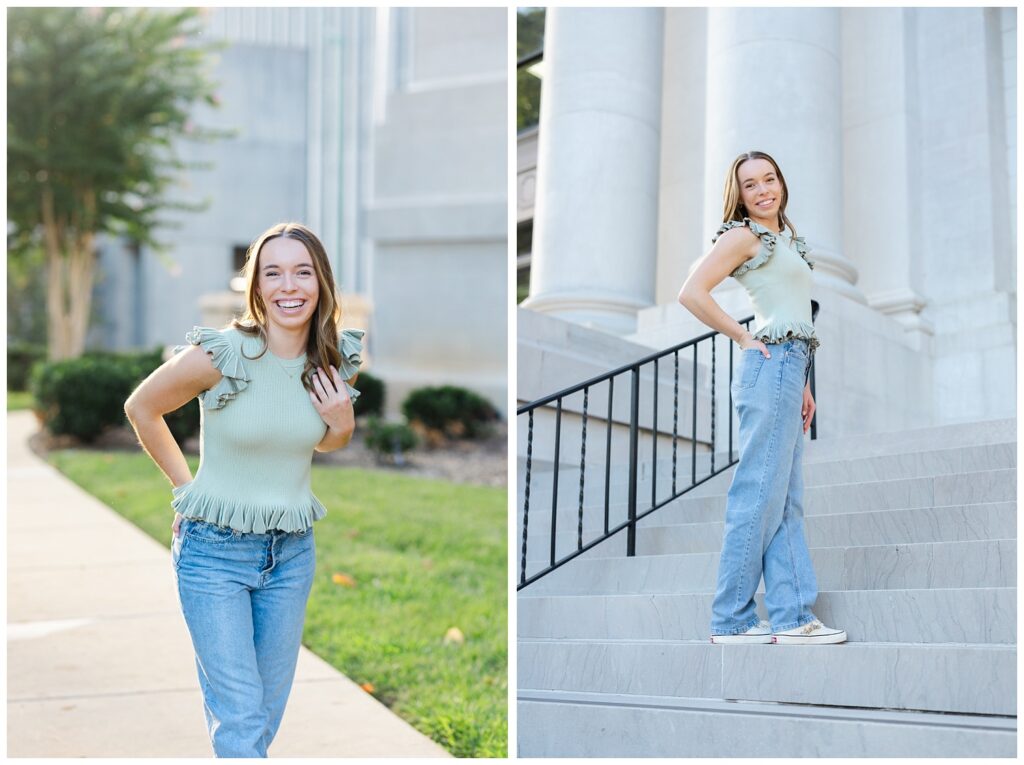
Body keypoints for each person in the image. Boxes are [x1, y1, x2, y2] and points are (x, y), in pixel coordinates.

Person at [124, 222, 365, 755]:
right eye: (272, 273)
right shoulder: (223, 353)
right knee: (239, 719)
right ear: (255, 286)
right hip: (213, 554)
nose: (289, 286)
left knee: (261, 717)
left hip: (292, 555)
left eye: (302, 272)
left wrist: (341, 424)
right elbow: (143, 408)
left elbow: (320, 442)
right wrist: (187, 489)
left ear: (321, 282)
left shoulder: (330, 359)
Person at [677, 151, 846, 646]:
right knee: (756, 495)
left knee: (785, 501)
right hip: (769, 365)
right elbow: (692, 292)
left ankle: (794, 616)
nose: (763, 190)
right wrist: (743, 337)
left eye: (769, 179)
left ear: (781, 183)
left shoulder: (787, 238)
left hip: (791, 368)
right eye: (751, 185)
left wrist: (806, 383)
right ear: (741, 194)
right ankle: (731, 618)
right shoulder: (744, 235)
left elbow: (793, 312)